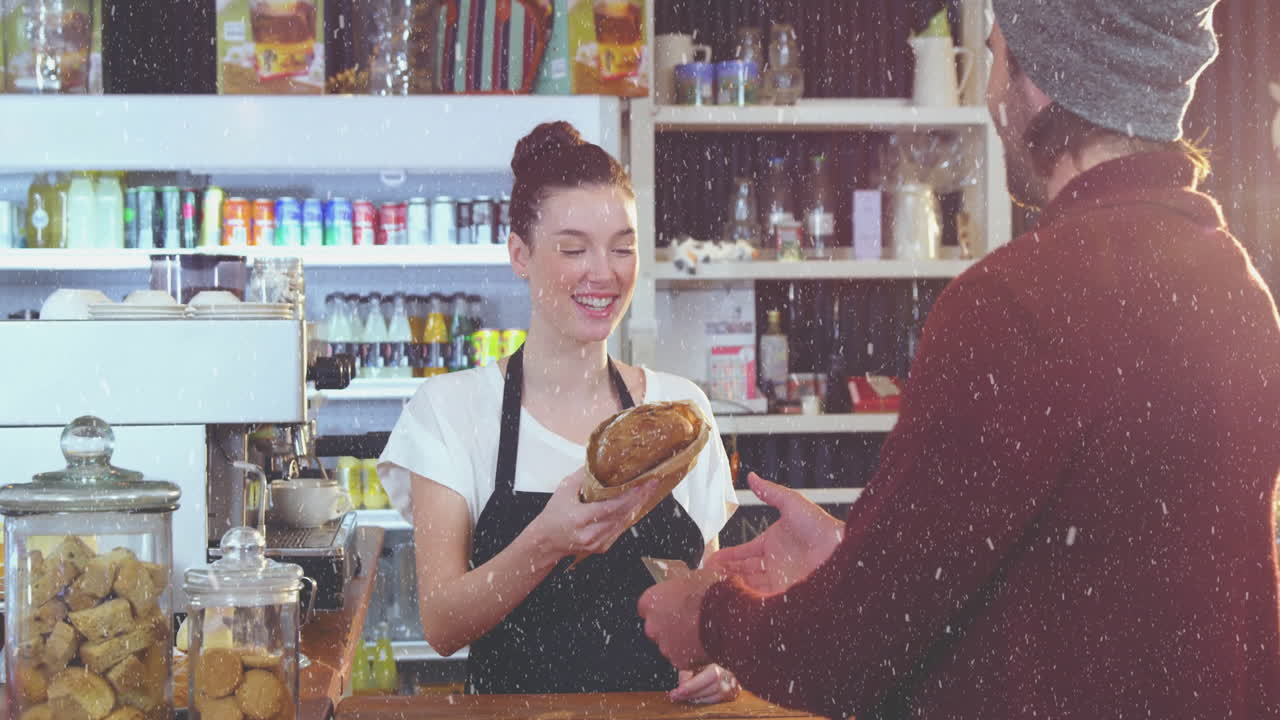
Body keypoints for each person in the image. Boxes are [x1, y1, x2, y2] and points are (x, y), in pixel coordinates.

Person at [639, 2, 1280, 718]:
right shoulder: (1237, 287)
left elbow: (848, 659)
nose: (989, 91)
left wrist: (708, 617)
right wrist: (862, 557)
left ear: (1043, 83)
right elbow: (1097, 574)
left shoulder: (1015, 301)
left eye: (998, 55)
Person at [378, 121, 740, 702]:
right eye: (574, 249)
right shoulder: (450, 411)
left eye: (623, 248)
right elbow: (442, 625)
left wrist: (717, 657)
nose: (605, 273)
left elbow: (702, 599)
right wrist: (547, 539)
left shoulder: (679, 415)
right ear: (519, 255)